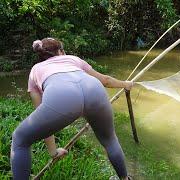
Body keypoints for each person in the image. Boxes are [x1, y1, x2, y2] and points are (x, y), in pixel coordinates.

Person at [10, 38, 132, 180]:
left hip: (62, 96)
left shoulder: (35, 70)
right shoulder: (73, 59)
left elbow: (41, 112)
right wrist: (125, 84)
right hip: (94, 89)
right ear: (61, 51)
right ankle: (124, 178)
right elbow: (105, 80)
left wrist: (53, 152)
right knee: (110, 140)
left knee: (20, 139)